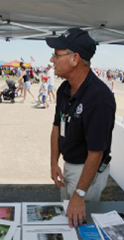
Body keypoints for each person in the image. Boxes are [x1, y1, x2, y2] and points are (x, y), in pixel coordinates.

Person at [46, 28, 116, 228]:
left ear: (75, 58)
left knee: (82, 224)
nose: (52, 61)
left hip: (87, 172)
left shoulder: (99, 98)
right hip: (70, 166)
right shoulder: (64, 89)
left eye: (56, 55)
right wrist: (53, 163)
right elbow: (56, 126)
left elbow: (96, 152)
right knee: (68, 220)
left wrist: (80, 193)